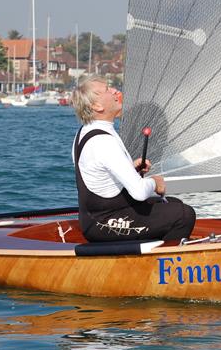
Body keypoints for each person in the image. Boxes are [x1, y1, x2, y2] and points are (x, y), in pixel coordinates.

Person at [71, 74, 195, 243]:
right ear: (97, 105)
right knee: (183, 215)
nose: (115, 91)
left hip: (96, 218)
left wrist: (131, 169)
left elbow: (101, 175)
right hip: (103, 224)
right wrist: (155, 182)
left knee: (171, 203)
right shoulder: (103, 141)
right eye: (108, 89)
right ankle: (161, 266)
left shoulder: (85, 132)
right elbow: (139, 192)